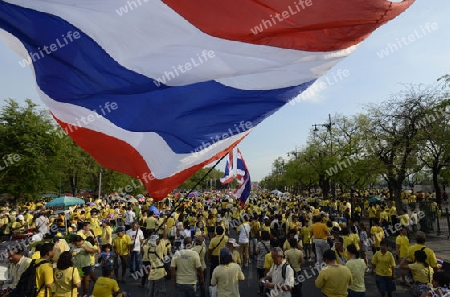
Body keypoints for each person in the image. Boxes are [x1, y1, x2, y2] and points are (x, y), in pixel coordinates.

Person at [256, 230, 271, 295]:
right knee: (268, 276)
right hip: (269, 263)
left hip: (261, 263)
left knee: (261, 277)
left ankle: (262, 290)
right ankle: (268, 288)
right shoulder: (271, 242)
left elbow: (257, 252)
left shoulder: (259, 243)